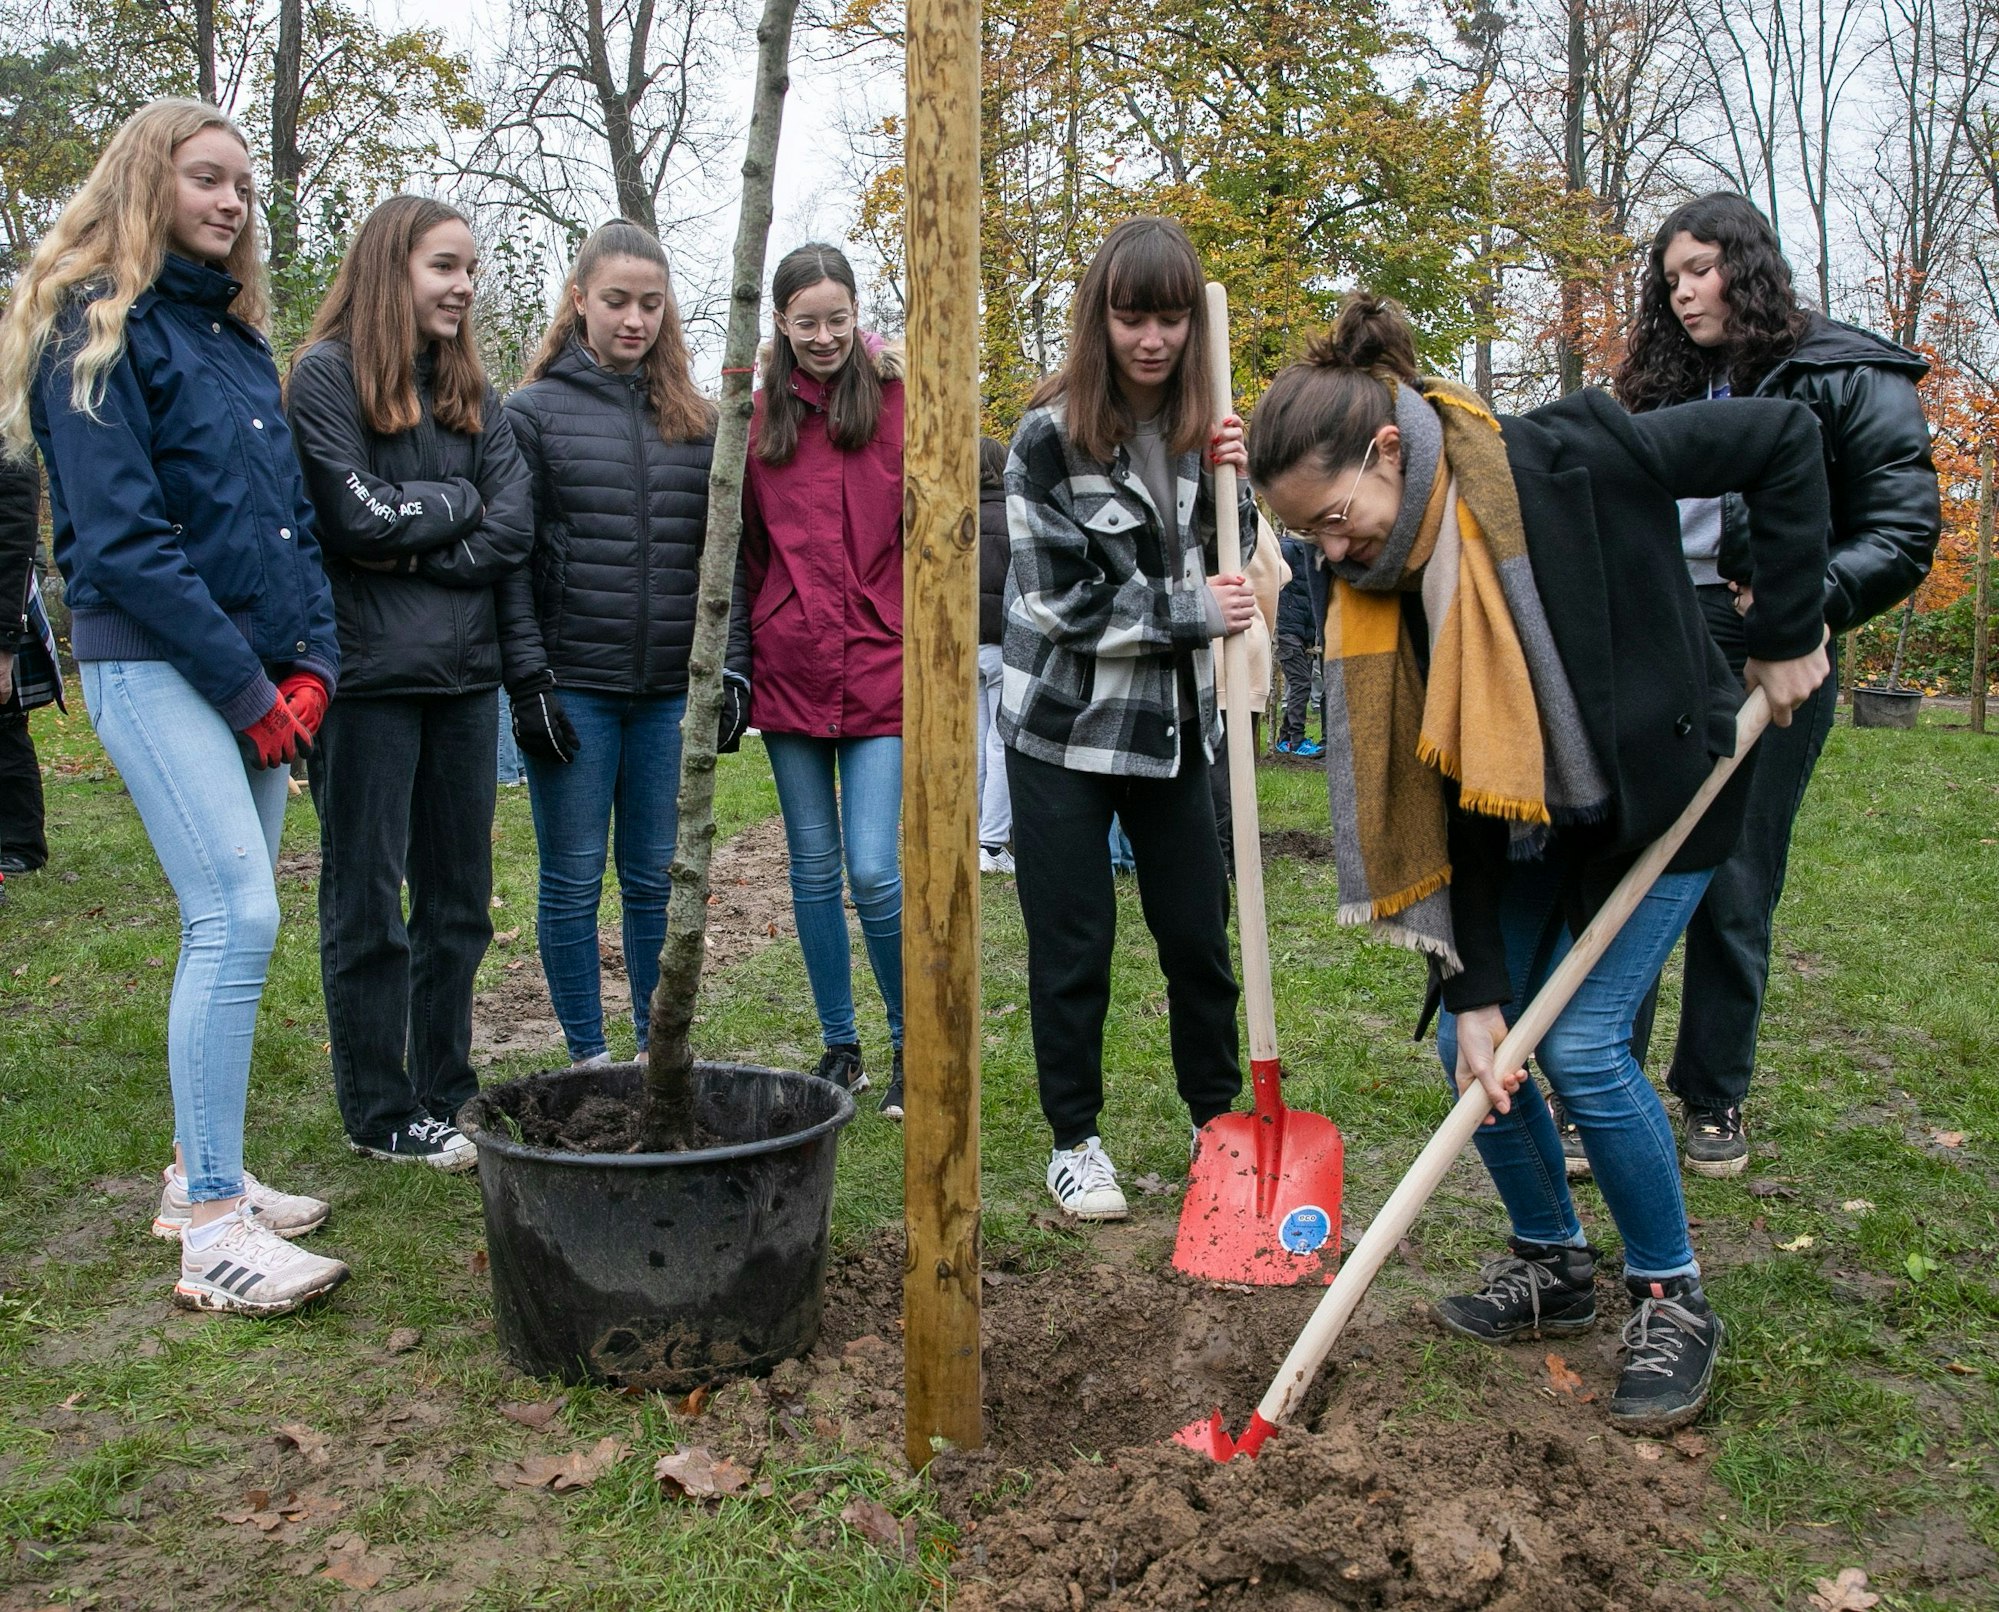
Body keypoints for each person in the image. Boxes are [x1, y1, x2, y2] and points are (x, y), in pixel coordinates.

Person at [1249, 292, 1832, 1432]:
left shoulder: (1564, 455)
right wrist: (1471, 990)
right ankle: (1551, 1265)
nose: (1328, 555)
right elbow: (1448, 789)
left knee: (1577, 1043)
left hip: (1666, 800)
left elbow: (1782, 441)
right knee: (1482, 1048)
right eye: (1308, 537)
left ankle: (1670, 1294)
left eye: (1331, 519)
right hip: (1518, 827)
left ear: (1385, 450)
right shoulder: (1388, 590)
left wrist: (1787, 628)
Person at [0, 99, 348, 1313]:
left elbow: (288, 522)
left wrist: (312, 666)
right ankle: (211, 1229)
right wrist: (253, 689)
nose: (233, 202)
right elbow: (131, 545)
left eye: (243, 185)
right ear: (147, 181)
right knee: (235, 920)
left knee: (237, 931)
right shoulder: (93, 324)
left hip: (254, 679)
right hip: (155, 668)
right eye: (208, 179)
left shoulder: (234, 335)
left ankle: (211, 1173)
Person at [1615, 192, 1940, 1177]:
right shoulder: (1657, 387)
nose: (1683, 294)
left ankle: (1713, 1094)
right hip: (1658, 631)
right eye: (1670, 279)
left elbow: (1901, 526)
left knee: (1736, 871)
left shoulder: (1842, 371)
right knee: (1627, 864)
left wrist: (1800, 605)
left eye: (1702, 270)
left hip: (1773, 639)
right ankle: (1599, 1083)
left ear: (1748, 267)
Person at [1000, 216, 1255, 1221]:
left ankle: (1216, 1123)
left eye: (1170, 318)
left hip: (1172, 729)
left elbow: (1242, 553)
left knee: (1198, 934)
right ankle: (1076, 1141)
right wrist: (1191, 612)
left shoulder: (1207, 431)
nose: (1151, 339)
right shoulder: (1046, 440)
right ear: (1100, 321)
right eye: (1131, 317)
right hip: (1063, 730)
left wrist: (1244, 480)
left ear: (1194, 324)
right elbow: (1054, 604)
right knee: (1074, 945)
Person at [287, 195, 541, 1170]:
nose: (463, 285)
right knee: (367, 897)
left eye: (469, 268)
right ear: (394, 267)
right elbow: (354, 520)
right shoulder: (323, 377)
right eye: (444, 266)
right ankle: (380, 1108)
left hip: (465, 680)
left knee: (460, 899)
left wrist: (417, 531)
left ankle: (446, 1084)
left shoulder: (475, 391)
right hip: (368, 679)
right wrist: (453, 504)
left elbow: (509, 523)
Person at [503, 219, 750, 1066]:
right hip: (573, 688)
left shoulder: (699, 421)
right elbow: (515, 559)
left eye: (650, 303)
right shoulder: (531, 414)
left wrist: (734, 668)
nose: (633, 319)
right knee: (572, 883)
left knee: (653, 883)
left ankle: (655, 1055)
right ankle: (587, 1059)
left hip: (669, 696)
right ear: (579, 301)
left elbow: (728, 552)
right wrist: (528, 678)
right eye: (615, 301)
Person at [740, 243, 906, 1118]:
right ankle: (839, 1045)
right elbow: (747, 550)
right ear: (780, 322)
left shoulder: (895, 401)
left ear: (856, 315)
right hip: (792, 668)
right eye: (806, 322)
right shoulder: (759, 416)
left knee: (874, 870)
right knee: (811, 869)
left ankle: (911, 1036)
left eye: (837, 319)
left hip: (881, 666)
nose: (823, 336)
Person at [0, 453, 56, 878]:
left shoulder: (7, 427)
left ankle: (20, 845)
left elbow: (16, 531)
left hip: (6, 597)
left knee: (5, 723)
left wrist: (5, 640)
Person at [976, 436, 1015, 874]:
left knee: (977, 742)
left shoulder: (954, 520)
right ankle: (990, 843)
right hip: (1005, 647)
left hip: (965, 648)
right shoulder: (1014, 517)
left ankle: (977, 836)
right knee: (1000, 745)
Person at [1272, 530, 1324, 757]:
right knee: (1301, 682)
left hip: (1302, 632)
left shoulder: (1313, 554)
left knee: (1301, 683)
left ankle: (1285, 739)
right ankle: (1295, 739)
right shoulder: (1288, 550)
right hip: (1286, 630)